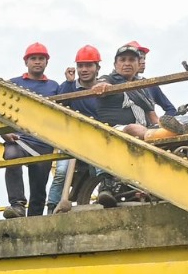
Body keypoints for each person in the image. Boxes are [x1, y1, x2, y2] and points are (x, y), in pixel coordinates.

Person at [90, 44, 159, 207]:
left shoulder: (142, 89)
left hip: (145, 131)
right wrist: (101, 87)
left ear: (138, 64)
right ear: (115, 64)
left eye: (131, 60)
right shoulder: (110, 79)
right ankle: (108, 184)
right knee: (134, 129)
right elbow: (99, 84)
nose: (127, 63)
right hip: (115, 131)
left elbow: (153, 116)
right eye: (123, 60)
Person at [2, 43, 60, 218]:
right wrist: (3, 133)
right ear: (26, 61)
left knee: (39, 184)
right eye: (33, 58)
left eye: (41, 59)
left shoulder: (53, 86)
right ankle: (17, 205)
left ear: (46, 62)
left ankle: (34, 219)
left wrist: (71, 82)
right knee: (11, 157)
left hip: (43, 141)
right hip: (17, 138)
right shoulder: (13, 84)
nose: (37, 62)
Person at [47, 45, 103, 210]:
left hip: (96, 138)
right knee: (61, 173)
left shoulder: (103, 88)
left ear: (97, 68)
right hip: (72, 138)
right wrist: (69, 82)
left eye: (88, 65)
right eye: (81, 66)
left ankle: (104, 197)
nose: (84, 69)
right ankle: (52, 206)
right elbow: (60, 103)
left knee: (100, 169)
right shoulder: (70, 86)